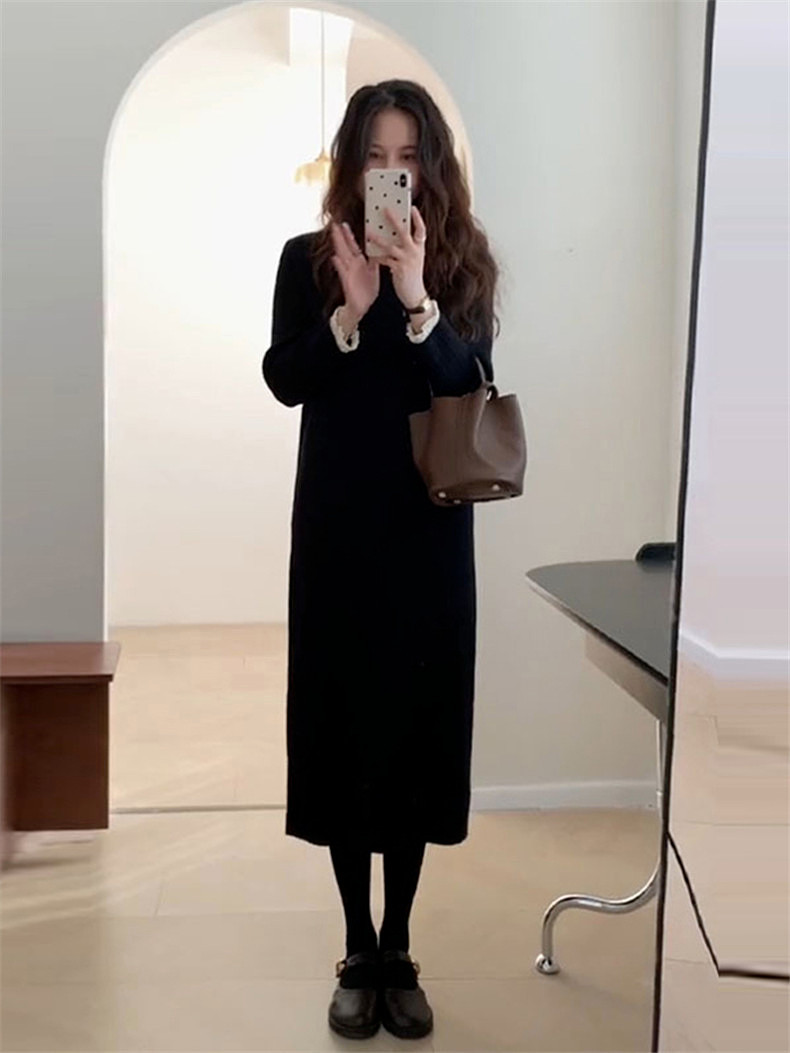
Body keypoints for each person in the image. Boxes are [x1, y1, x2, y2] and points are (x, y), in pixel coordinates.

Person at [262, 79, 500, 1041]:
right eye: (374, 156)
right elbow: (284, 379)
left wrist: (416, 302)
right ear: (351, 164)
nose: (391, 174)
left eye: (407, 157)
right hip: (336, 531)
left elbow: (473, 383)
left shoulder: (462, 260)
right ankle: (356, 946)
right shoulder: (309, 258)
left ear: (430, 165)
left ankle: (399, 945)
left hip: (429, 536)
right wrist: (347, 314)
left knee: (413, 737)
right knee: (343, 732)